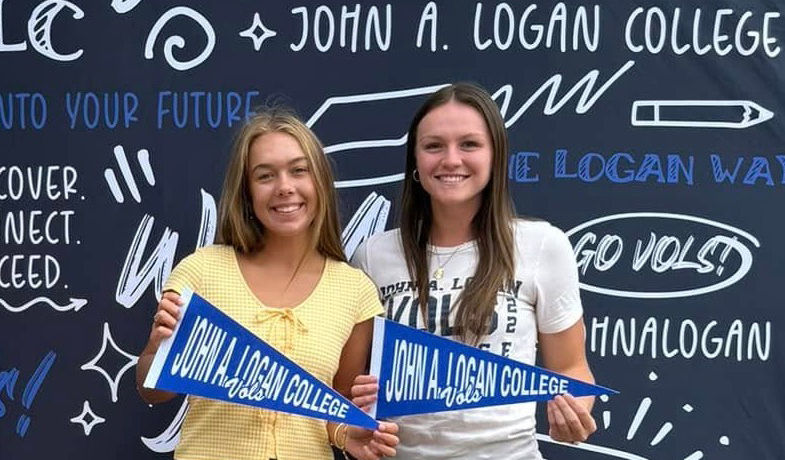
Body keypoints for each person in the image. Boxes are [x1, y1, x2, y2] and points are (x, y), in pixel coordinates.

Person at [348, 82, 598, 459]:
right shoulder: (372, 256)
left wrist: (574, 410)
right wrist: (359, 403)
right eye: (434, 146)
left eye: (469, 144)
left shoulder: (543, 245)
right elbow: (348, 384)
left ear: (495, 156)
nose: (451, 160)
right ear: (415, 161)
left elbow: (573, 368)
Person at [135, 108, 399, 460]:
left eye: (298, 170)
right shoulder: (200, 271)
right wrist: (156, 351)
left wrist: (349, 434)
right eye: (265, 176)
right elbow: (153, 392)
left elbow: (336, 408)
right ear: (246, 191)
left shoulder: (354, 291)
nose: (285, 187)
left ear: (319, 180)